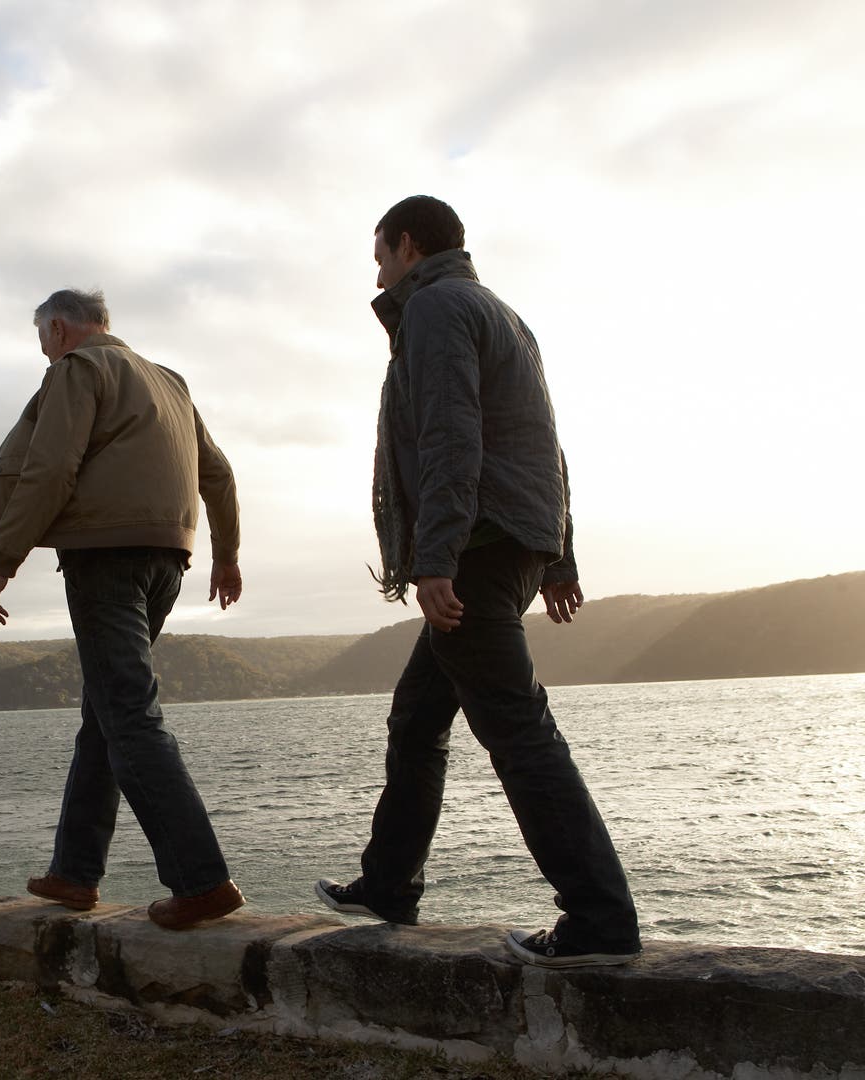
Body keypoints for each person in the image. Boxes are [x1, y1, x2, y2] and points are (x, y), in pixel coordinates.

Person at [314, 196, 642, 967]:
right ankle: (390, 883)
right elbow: (544, 445)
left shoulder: (436, 309)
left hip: (476, 545)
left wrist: (436, 558)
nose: (377, 269)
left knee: (519, 734)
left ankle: (600, 921)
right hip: (509, 539)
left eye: (380, 253)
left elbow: (452, 433)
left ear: (407, 244)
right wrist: (558, 557)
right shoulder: (501, 313)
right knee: (418, 714)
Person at [0, 288, 245, 930]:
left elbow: (51, 469)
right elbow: (220, 476)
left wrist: (0, 563)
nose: (44, 353)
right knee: (106, 713)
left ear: (60, 329)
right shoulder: (169, 381)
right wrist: (226, 555)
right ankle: (74, 872)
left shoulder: (78, 370)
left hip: (105, 557)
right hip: (168, 559)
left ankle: (200, 880)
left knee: (127, 714)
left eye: (42, 342)